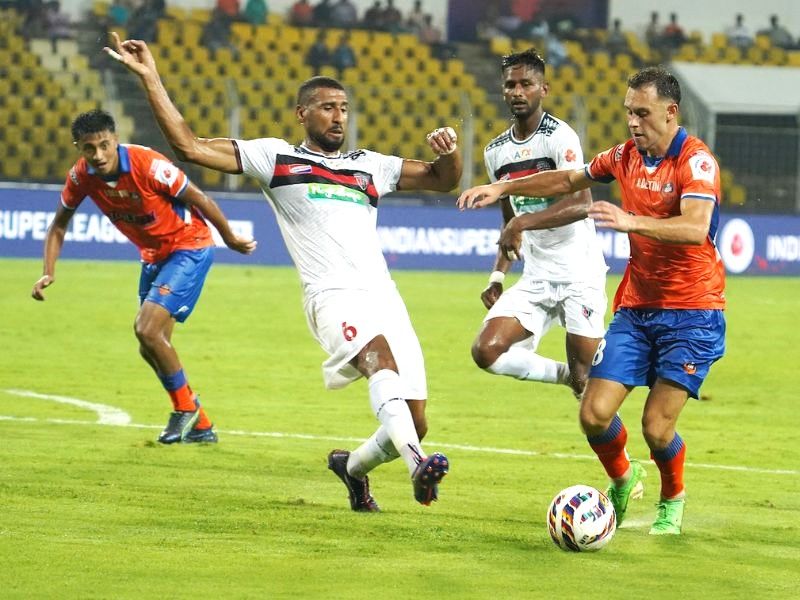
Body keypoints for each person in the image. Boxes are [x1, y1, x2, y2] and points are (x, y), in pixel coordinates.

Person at [106, 33, 463, 509]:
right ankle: (417, 465)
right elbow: (189, 146)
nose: (338, 116)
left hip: (385, 296)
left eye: (343, 108)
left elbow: (443, 179)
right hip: (332, 296)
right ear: (302, 113)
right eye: (327, 108)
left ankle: (352, 469)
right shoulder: (277, 158)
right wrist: (151, 77)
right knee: (379, 361)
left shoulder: (370, 166)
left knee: (414, 420)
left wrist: (450, 151)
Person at [458, 66, 726, 536]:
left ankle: (672, 498)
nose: (633, 122)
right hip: (637, 309)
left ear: (671, 112)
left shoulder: (696, 161)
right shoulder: (624, 156)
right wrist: (503, 188)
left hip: (693, 313)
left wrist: (631, 221)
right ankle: (623, 480)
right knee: (593, 414)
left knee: (656, 428)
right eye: (628, 112)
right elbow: (566, 180)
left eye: (642, 113)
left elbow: (695, 227)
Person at [31, 109, 257, 444]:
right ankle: (201, 425)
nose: (99, 155)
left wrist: (230, 237)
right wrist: (48, 272)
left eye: (104, 145)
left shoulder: (147, 164)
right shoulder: (81, 176)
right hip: (154, 256)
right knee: (150, 346)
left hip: (189, 246)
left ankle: (184, 409)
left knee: (147, 329)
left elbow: (198, 197)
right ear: (79, 147)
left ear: (115, 140)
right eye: (89, 148)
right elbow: (58, 226)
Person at [470, 48, 606, 402]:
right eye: (510, 85)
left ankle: (588, 387)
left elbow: (581, 203)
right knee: (486, 351)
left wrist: (523, 222)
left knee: (588, 387)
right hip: (536, 278)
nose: (517, 92)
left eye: (526, 84)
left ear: (543, 89)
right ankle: (566, 376)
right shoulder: (495, 151)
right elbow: (508, 220)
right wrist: (497, 276)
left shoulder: (560, 137)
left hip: (579, 275)